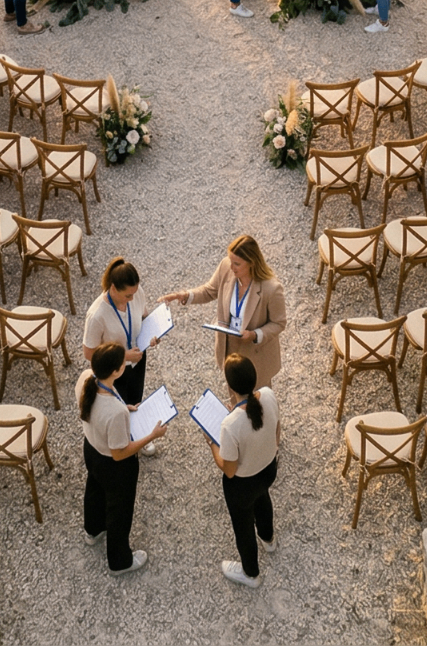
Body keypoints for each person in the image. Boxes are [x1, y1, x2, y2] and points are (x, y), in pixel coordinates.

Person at [79, 341, 166, 576]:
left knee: (94, 489)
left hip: (92, 450)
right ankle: (119, 561)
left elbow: (102, 413)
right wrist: (151, 436)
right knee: (119, 511)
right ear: (116, 371)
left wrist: (125, 407)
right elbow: (120, 452)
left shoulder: (89, 380)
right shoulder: (115, 413)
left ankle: (93, 530)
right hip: (114, 466)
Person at [162, 233, 287, 388]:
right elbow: (209, 291)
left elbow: (279, 323)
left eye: (237, 264)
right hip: (230, 346)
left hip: (255, 354)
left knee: (256, 397)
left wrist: (255, 335)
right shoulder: (226, 267)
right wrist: (185, 295)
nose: (231, 267)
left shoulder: (272, 289)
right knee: (234, 392)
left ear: (252, 263)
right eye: (230, 260)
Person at [209, 353, 280, 587]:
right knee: (263, 499)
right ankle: (269, 539)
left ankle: (251, 573)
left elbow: (229, 469)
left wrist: (212, 445)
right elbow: (275, 430)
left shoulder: (230, 425)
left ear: (230, 386)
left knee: (243, 526)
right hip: (268, 469)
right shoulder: (268, 395)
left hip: (242, 485)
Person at [83, 256, 162, 410]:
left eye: (134, 293)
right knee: (120, 411)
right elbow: (89, 353)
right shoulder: (97, 315)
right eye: (127, 296)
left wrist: (153, 334)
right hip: (113, 371)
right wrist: (124, 356)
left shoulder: (136, 293)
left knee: (135, 403)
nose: (132, 298)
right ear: (113, 288)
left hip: (137, 360)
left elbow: (144, 316)